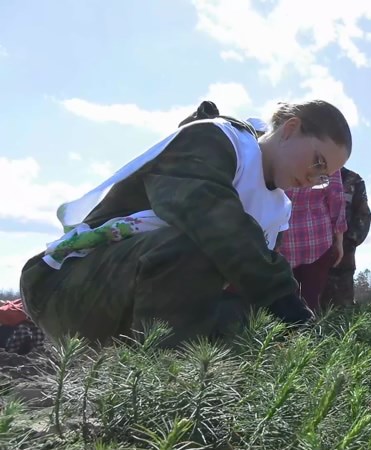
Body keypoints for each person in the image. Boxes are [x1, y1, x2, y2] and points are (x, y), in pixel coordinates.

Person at [19, 100, 352, 347]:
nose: (312, 179)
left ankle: (194, 392)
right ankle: (161, 392)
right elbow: (214, 223)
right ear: (290, 130)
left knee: (250, 320)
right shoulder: (214, 140)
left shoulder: (278, 211)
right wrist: (289, 307)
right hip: (65, 286)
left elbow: (253, 281)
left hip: (136, 298)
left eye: (323, 176)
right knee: (200, 248)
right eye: (316, 161)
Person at [278, 167, 348, 314]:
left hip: (283, 240)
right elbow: (335, 196)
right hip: (318, 239)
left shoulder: (280, 148)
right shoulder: (327, 150)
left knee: (285, 302)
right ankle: (310, 334)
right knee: (312, 301)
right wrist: (339, 239)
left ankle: (286, 334)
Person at [319, 167, 371, 309]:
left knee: (341, 309)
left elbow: (363, 214)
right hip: (308, 255)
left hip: (341, 262)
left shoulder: (353, 180)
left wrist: (349, 241)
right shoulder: (307, 173)